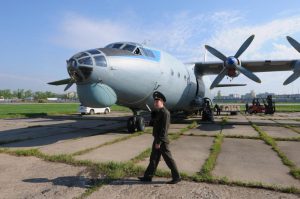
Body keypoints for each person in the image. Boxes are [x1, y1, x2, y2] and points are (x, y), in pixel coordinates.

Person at [138, 91, 181, 184]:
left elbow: (164, 129)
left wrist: (159, 142)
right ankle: (148, 177)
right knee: (153, 159)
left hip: (162, 141)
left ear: (162, 102)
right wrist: (149, 121)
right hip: (157, 139)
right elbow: (155, 124)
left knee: (168, 159)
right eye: (155, 102)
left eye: (157, 102)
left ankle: (177, 177)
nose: (155, 103)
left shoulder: (165, 113)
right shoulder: (159, 112)